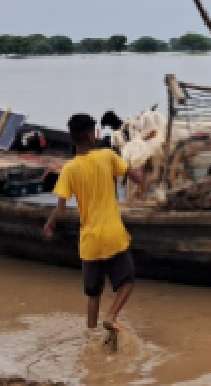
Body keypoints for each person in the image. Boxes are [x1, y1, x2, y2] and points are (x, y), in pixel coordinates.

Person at [43, 113, 146, 338]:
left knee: (93, 294)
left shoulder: (69, 169)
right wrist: (141, 175)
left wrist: (49, 225)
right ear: (91, 134)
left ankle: (90, 336)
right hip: (113, 236)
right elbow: (135, 176)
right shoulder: (107, 156)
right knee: (127, 282)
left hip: (89, 242)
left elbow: (60, 210)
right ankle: (111, 316)